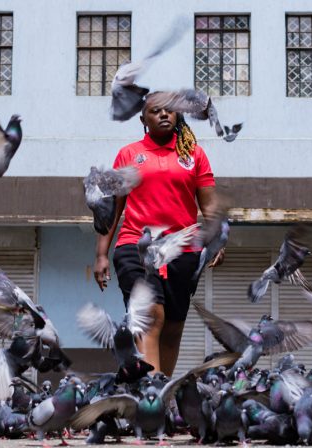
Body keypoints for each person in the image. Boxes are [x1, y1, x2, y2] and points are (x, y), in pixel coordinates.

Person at [93, 93, 224, 376]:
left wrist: (216, 237)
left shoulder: (194, 154)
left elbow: (209, 203)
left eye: (169, 110)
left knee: (173, 327)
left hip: (183, 251)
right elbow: (111, 209)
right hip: (135, 247)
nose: (164, 114)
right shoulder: (128, 155)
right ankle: (150, 393)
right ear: (143, 119)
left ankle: (161, 393)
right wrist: (101, 253)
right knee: (151, 317)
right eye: (155, 111)